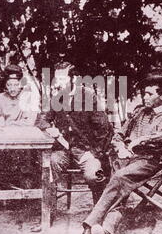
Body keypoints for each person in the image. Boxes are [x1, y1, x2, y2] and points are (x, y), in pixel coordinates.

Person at [77, 71, 162, 234]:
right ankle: (107, 231)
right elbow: (119, 134)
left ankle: (87, 230)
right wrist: (120, 147)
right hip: (127, 158)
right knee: (117, 187)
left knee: (118, 178)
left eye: (150, 94)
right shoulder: (139, 113)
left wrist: (142, 139)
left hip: (150, 160)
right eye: (144, 93)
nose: (145, 97)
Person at [37, 62, 114, 205]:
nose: (58, 84)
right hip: (64, 150)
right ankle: (49, 214)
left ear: (73, 79)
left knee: (93, 175)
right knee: (49, 165)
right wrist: (50, 128)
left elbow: (104, 129)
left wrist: (96, 153)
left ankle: (98, 215)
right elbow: (42, 120)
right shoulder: (57, 98)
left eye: (63, 79)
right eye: (57, 79)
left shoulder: (88, 96)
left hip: (86, 151)